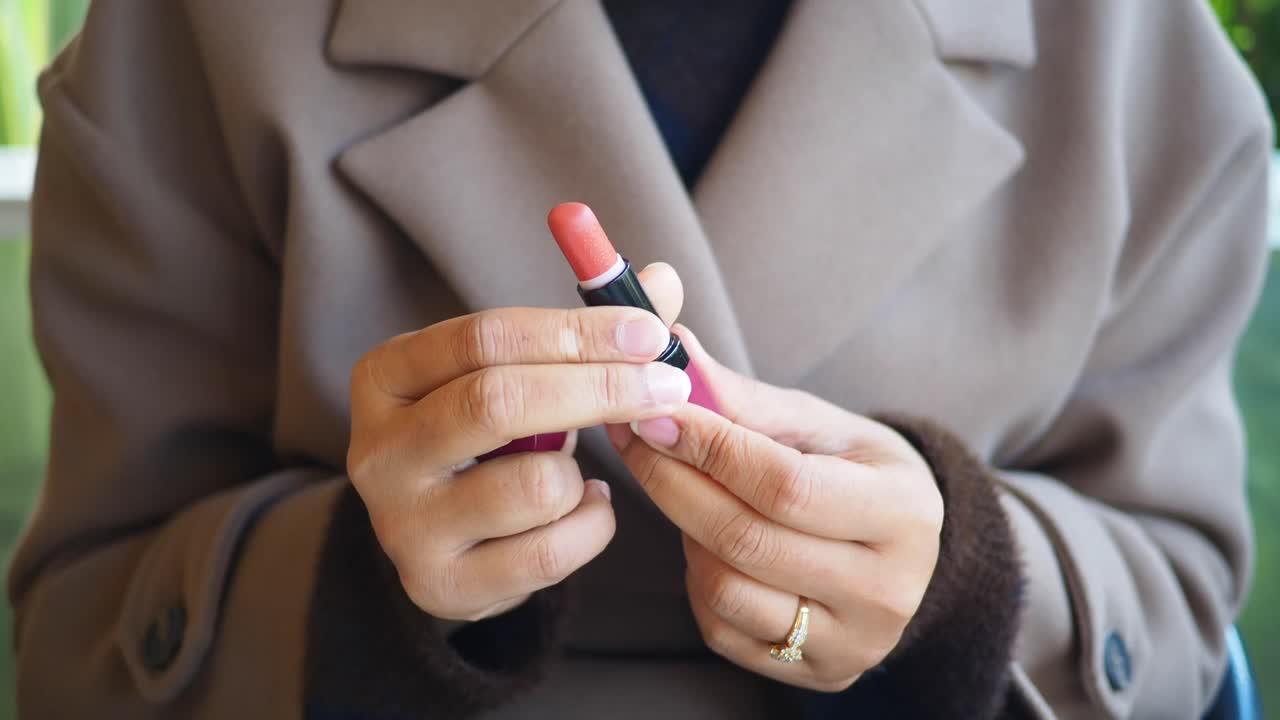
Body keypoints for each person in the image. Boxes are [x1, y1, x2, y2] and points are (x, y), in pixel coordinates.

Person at [8, 1, 1273, 718]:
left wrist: (964, 591)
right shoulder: (184, 37)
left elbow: (1177, 593)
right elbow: (85, 637)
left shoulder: (1139, 56)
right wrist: (362, 593)